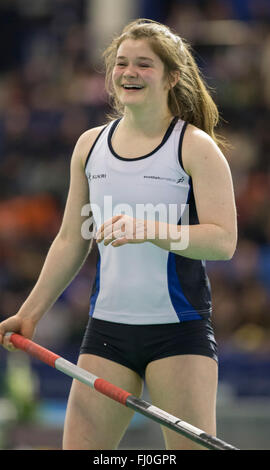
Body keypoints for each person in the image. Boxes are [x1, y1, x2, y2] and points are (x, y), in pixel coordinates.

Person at [0, 19, 237, 450]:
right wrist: (30, 313)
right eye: (122, 63)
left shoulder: (195, 147)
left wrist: (152, 230)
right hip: (106, 333)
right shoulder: (90, 146)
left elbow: (223, 241)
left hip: (178, 333)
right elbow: (72, 239)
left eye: (144, 65)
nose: (129, 72)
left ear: (172, 77)